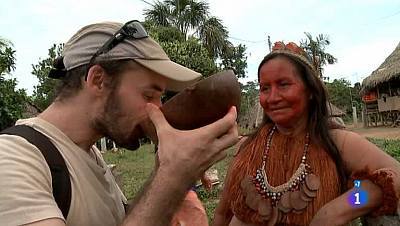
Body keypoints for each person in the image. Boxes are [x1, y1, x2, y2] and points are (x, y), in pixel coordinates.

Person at [0, 20, 238, 226]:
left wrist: (171, 178)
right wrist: (172, 177)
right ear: (98, 80)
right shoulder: (13, 161)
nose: (157, 110)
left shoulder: (88, 153)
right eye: (148, 95)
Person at [212, 41, 400, 226]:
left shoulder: (338, 142)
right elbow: (222, 213)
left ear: (310, 91)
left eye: (284, 84)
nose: (273, 97)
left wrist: (338, 210)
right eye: (265, 88)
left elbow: (395, 176)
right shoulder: (248, 148)